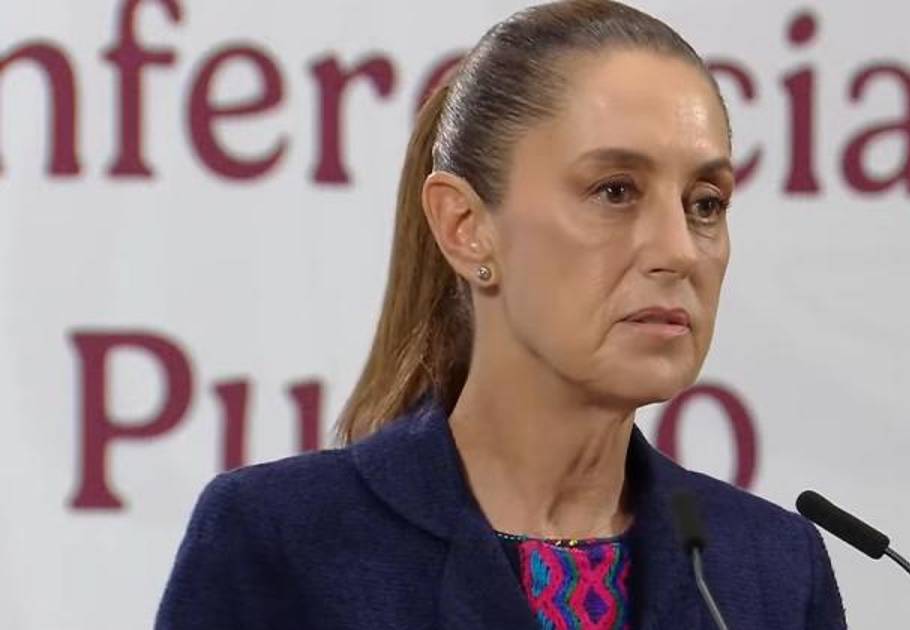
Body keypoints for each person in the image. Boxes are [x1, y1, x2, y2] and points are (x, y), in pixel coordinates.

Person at [154, 1, 847, 628]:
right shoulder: (282, 541)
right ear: (465, 227)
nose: (678, 250)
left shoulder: (772, 569)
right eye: (615, 191)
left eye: (705, 204)